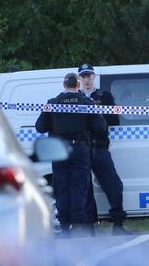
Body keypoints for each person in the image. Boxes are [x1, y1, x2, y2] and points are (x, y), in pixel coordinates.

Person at [35, 73, 106, 237]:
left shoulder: (52, 103)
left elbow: (40, 127)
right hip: (79, 149)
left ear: (64, 85)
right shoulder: (86, 103)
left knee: (61, 187)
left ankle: (65, 226)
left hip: (59, 150)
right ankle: (80, 225)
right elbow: (100, 127)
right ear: (78, 85)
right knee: (79, 187)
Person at [78, 63, 129, 235]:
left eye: (89, 75)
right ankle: (88, 228)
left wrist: (94, 111)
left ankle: (118, 224)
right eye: (83, 76)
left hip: (99, 146)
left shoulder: (104, 95)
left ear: (94, 77)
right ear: (79, 79)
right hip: (82, 148)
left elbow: (114, 119)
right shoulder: (74, 97)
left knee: (114, 185)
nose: (86, 79)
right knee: (84, 189)